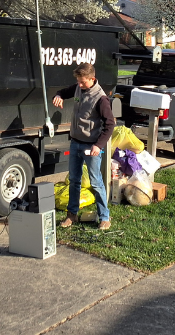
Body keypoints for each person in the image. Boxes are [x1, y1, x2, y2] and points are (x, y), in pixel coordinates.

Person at [52, 62, 115, 230]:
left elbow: (110, 125)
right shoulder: (79, 87)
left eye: (82, 82)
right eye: (78, 82)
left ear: (92, 79)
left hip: (91, 147)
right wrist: (57, 96)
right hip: (75, 143)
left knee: (96, 182)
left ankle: (104, 217)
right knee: (74, 180)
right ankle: (71, 215)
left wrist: (98, 145)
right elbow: (63, 92)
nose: (79, 85)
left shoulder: (101, 99)